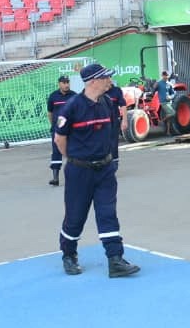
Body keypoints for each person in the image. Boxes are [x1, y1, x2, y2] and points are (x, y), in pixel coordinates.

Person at [54, 63, 139, 278]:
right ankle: (69, 255)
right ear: (93, 81)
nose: (110, 81)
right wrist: (74, 158)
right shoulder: (71, 107)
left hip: (105, 169)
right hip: (79, 172)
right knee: (75, 216)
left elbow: (110, 134)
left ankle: (115, 259)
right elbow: (59, 139)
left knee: (108, 213)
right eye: (105, 78)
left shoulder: (107, 103)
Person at [46, 76, 74, 186]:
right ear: (59, 84)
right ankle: (55, 178)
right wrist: (54, 125)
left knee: (73, 151)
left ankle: (76, 176)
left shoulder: (74, 96)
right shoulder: (53, 96)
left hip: (71, 129)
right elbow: (50, 113)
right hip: (58, 128)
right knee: (56, 152)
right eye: (64, 82)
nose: (66, 85)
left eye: (67, 82)